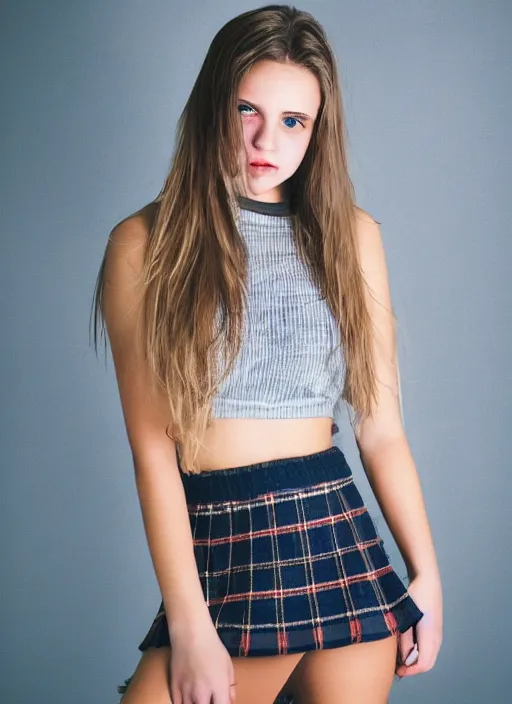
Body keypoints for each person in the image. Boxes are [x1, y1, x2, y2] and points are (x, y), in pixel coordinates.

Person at [90, 5, 443, 703]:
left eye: (293, 121)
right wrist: (189, 621)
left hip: (339, 545)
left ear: (317, 130)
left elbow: (381, 427)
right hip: (225, 548)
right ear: (212, 104)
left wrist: (426, 574)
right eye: (246, 109)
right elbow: (153, 448)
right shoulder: (143, 243)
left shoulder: (351, 234)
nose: (265, 138)